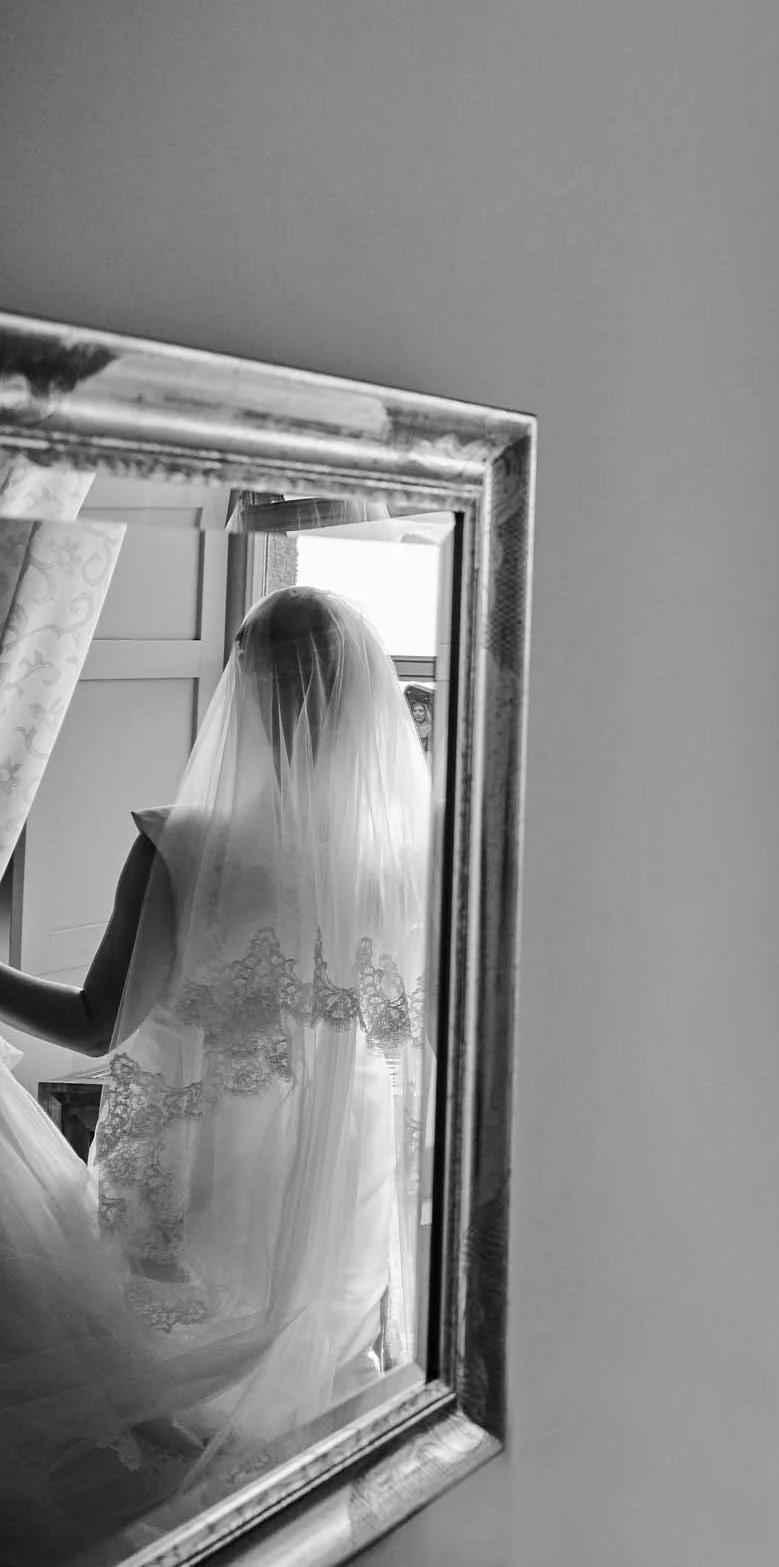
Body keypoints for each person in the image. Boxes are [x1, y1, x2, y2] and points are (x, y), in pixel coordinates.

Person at [0, 585, 433, 1508]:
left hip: (200, 1165)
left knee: (162, 1400)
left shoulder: (181, 845)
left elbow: (96, 1024)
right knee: (309, 1406)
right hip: (338, 1167)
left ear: (248, 692)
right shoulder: (402, 861)